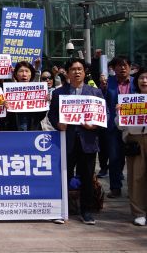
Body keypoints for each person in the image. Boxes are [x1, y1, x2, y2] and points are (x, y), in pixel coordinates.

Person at [48, 58, 105, 225]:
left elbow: (105, 114)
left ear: (85, 71)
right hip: (67, 140)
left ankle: (86, 211)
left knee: (87, 177)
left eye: (80, 69)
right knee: (64, 176)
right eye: (73, 69)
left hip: (87, 141)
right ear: (67, 72)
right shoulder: (58, 93)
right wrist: (58, 124)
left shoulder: (95, 93)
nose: (77, 72)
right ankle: (61, 210)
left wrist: (94, 125)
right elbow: (52, 114)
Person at [116, 67, 147, 226]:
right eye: (142, 78)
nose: (145, 81)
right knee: (136, 177)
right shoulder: (130, 100)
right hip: (135, 140)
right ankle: (139, 212)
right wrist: (119, 114)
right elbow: (120, 126)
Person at [105, 56, 134, 198]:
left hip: (134, 126)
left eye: (125, 65)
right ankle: (115, 188)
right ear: (113, 68)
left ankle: (135, 189)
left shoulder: (137, 82)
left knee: (136, 158)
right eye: (119, 65)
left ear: (130, 67)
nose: (122, 68)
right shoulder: (107, 83)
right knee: (115, 158)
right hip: (114, 127)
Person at [2, 61, 47, 131]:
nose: (24, 74)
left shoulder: (38, 92)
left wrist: (45, 102)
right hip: (13, 131)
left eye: (27, 71)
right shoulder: (6, 92)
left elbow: (41, 116)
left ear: (31, 74)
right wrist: (4, 107)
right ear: (16, 75)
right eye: (21, 71)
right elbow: (3, 118)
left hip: (33, 130)